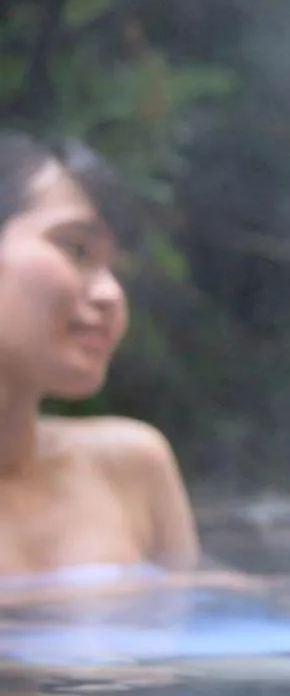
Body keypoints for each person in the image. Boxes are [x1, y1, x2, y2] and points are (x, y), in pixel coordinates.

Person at [0, 133, 199, 578]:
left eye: (117, 268)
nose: (111, 294)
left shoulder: (130, 469)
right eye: (75, 249)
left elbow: (195, 633)